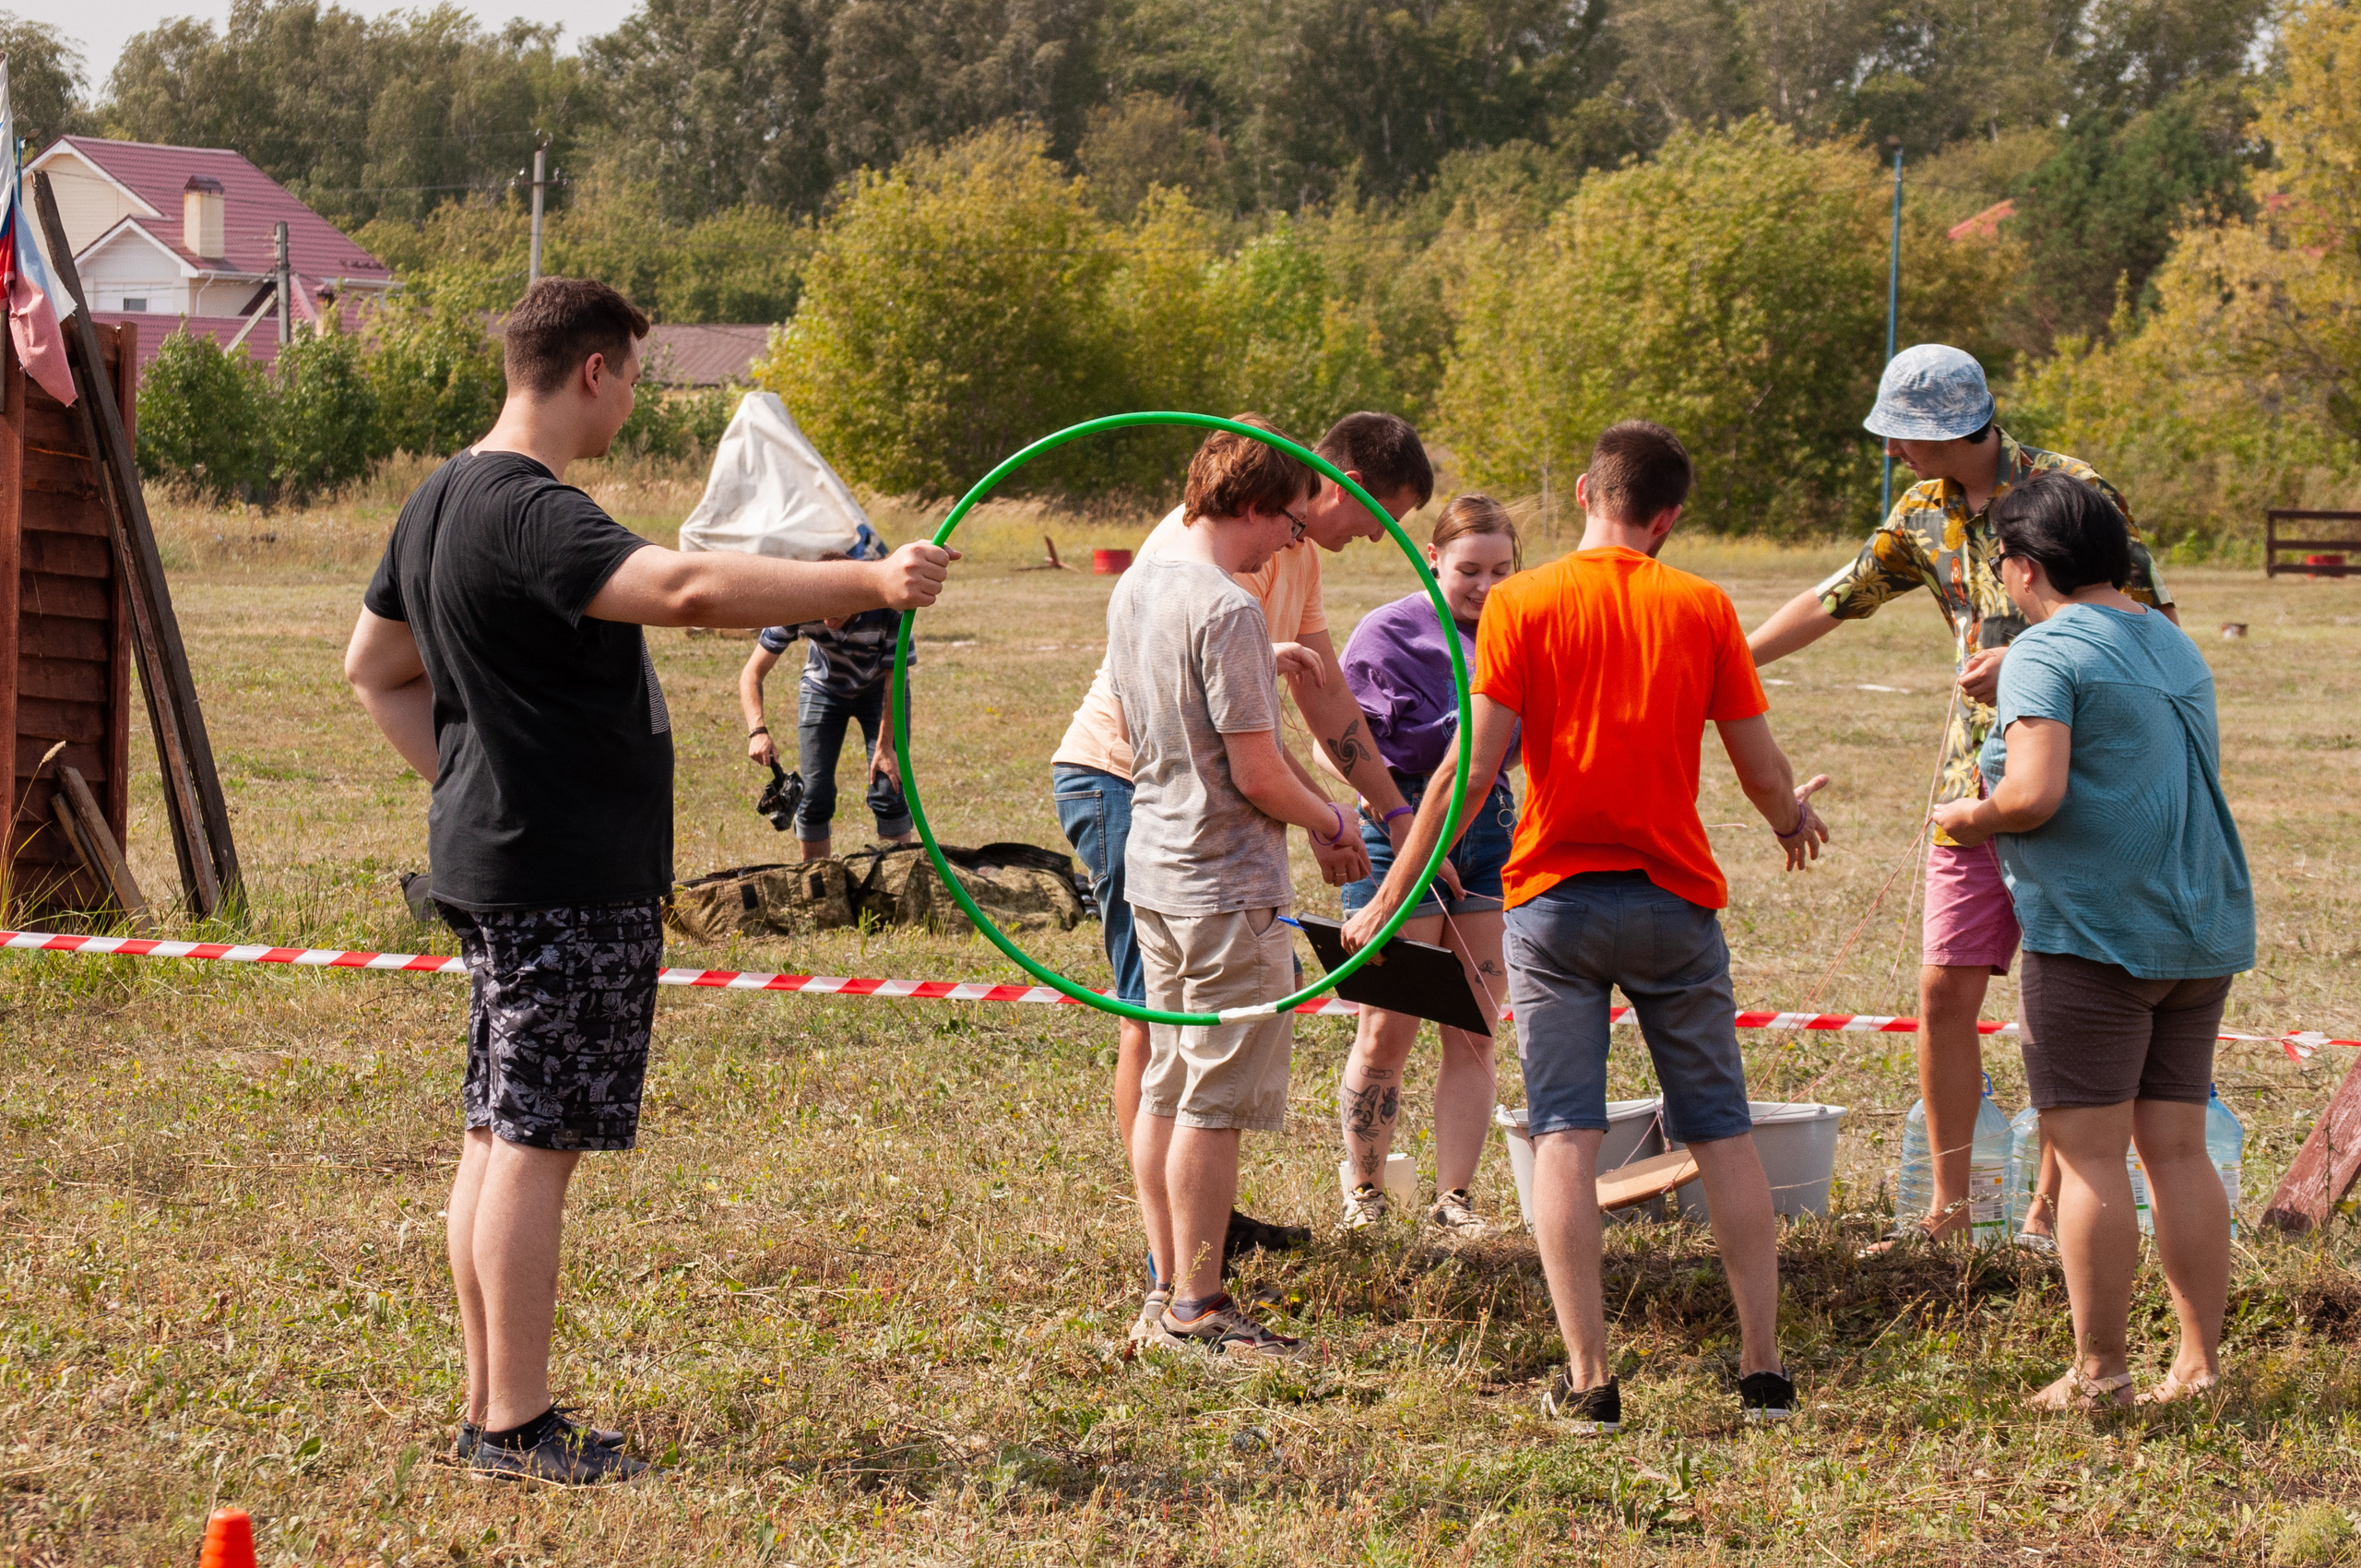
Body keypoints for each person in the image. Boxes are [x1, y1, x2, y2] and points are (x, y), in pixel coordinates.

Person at [342, 278, 955, 1484]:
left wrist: (470, 783)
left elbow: (375, 667)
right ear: (594, 372)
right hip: (562, 877)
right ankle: (514, 1425)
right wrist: (871, 585)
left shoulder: (437, 500)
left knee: (495, 1132)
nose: (628, 399)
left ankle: (489, 1411)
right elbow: (680, 591)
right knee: (531, 1143)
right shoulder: (530, 507)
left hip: (505, 866)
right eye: (631, 373)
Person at [1346, 422, 1828, 1431]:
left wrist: (1391, 893)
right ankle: (1763, 1374)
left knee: (1564, 1136)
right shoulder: (1701, 605)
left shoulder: (1521, 602)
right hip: (1674, 906)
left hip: (1553, 906)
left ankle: (1589, 1380)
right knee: (1722, 1133)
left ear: (1580, 493)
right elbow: (1759, 766)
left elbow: (1468, 772)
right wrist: (1790, 820)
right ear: (1668, 517)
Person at [1745, 344, 2179, 1249]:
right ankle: (1946, 1211)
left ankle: (2049, 1209)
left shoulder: (2070, 491)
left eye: (1899, 435)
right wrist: (1726, 664)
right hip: (1967, 782)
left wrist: (2028, 658)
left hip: (2079, 779)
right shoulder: (1921, 512)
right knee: (1943, 987)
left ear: (1946, 428)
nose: (1891, 451)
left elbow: (2152, 625)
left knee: (2069, 993)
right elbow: (1836, 598)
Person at [1051, 412, 1431, 1298]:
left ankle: (1193, 1245)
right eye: (1380, 514)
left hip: (1193, 801)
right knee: (1164, 1035)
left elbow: (1320, 695)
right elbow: (1246, 752)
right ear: (1312, 488)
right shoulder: (1210, 570)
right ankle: (1179, 1277)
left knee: (1190, 1056)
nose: (1379, 536)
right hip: (1138, 789)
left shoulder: (1262, 561)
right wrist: (1329, 820)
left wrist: (1394, 813)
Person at [1931, 473, 2252, 1409]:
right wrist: (2026, 668)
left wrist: (1968, 816)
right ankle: (2196, 1366)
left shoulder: (2044, 655)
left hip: (2098, 934)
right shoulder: (2173, 640)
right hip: (2200, 927)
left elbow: (2034, 795)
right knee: (2178, 1150)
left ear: (2024, 567)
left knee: (2089, 1154)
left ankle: (2098, 1369)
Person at [1111, 423, 1371, 1360]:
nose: (1292, 546)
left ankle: (1173, 1292)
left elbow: (1180, 707)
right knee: (1212, 1099)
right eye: (1292, 526)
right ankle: (1198, 1307)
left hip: (1161, 871)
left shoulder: (1141, 581)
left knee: (1176, 1082)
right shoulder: (1228, 605)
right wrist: (1334, 821)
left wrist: (1269, 666)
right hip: (1224, 883)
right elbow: (1258, 772)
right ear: (1256, 507)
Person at [1333, 493, 1522, 1234]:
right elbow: (1337, 743)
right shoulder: (1388, 632)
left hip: (1484, 827)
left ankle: (1455, 1201)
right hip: (1398, 820)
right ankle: (1367, 1195)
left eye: (1503, 569)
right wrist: (1413, 836)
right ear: (1434, 559)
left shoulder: (1519, 628)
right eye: (1470, 570)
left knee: (1474, 1028)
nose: (1486, 586)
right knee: (1389, 1026)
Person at [738, 522, 916, 859]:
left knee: (887, 787)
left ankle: (900, 885)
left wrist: (886, 747)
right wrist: (757, 731)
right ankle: (818, 890)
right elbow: (752, 674)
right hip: (823, 690)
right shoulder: (799, 605)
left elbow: (896, 679)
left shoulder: (888, 607)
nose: (827, 621)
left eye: (836, 612)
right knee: (814, 795)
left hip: (880, 692)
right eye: (821, 612)